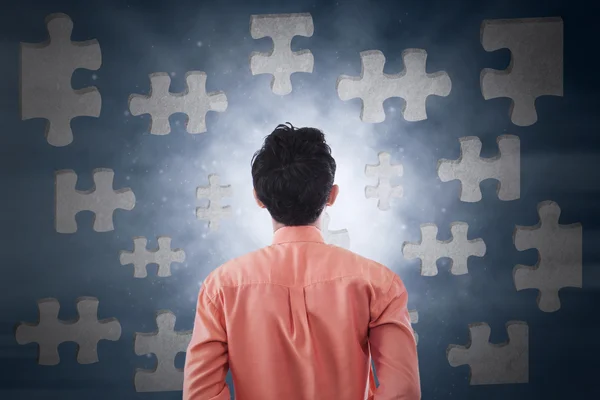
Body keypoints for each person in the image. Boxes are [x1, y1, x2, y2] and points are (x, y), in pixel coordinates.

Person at [183, 123, 420, 400]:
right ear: (332, 195)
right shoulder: (380, 283)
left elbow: (200, 396)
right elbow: (402, 393)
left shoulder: (221, 287)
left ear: (258, 198)